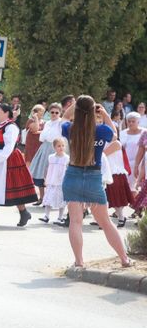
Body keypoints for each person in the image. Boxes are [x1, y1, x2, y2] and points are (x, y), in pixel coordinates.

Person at [61, 96, 130, 266]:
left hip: (73, 174)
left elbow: (63, 118)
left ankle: (79, 261)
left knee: (75, 221)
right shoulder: (100, 130)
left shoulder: (70, 129)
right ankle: (124, 258)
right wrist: (105, 114)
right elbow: (114, 135)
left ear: (77, 111)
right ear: (94, 112)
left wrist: (75, 105)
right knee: (105, 222)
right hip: (93, 176)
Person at [29, 102, 64, 203]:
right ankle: (42, 198)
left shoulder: (61, 122)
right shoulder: (47, 123)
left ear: (60, 113)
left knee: (54, 174)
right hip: (45, 147)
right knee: (41, 172)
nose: (54, 114)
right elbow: (42, 136)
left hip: (55, 148)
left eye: (56, 112)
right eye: (52, 112)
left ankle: (53, 198)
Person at [40, 138, 68, 224]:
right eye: (59, 146)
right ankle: (46, 216)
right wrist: (46, 179)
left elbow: (67, 170)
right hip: (52, 181)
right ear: (54, 147)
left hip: (61, 182)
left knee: (61, 200)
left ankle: (60, 217)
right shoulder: (51, 157)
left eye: (63, 146)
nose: (61, 148)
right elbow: (49, 169)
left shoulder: (66, 158)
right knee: (48, 198)